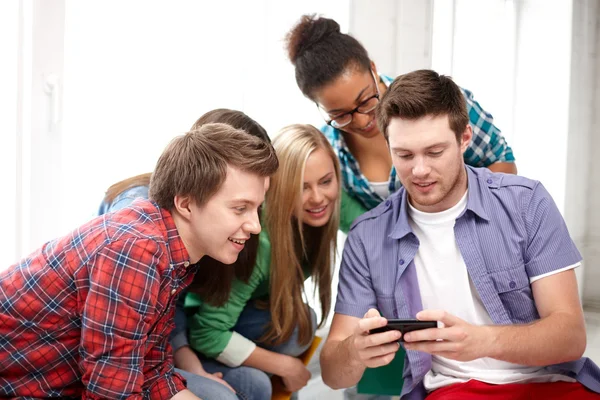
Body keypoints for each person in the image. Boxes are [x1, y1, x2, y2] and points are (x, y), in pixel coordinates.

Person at [319, 70, 600, 399]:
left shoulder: (527, 202)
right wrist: (354, 351)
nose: (419, 170)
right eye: (404, 155)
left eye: (435, 152)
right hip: (453, 389)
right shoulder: (368, 236)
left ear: (465, 138)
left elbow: (570, 336)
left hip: (553, 383)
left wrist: (481, 341)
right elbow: (332, 374)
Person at [0, 123, 278, 399]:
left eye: (256, 209)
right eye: (240, 209)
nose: (255, 226)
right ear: (187, 204)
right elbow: (111, 394)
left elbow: (152, 370)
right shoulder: (134, 251)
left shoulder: (173, 253)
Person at [97, 109, 277, 400]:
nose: (255, 226)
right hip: (100, 359)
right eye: (240, 207)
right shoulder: (136, 241)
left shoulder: (182, 247)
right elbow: (113, 375)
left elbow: (155, 355)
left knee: (251, 383)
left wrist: (188, 366)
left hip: (155, 349)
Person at [181, 124, 355, 397]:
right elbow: (207, 332)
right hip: (201, 327)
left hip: (244, 311)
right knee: (293, 331)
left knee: (300, 323)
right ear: (280, 188)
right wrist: (283, 365)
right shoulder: (261, 244)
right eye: (302, 188)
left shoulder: (328, 203)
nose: (319, 197)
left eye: (325, 181)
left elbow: (378, 223)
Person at [285, 14, 517, 212]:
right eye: (340, 115)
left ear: (373, 70)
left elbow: (502, 162)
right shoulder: (330, 153)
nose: (363, 120)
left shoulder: (437, 101)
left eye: (366, 100)